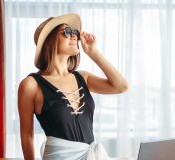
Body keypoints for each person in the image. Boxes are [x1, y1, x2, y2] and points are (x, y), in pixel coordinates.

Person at [18, 13, 128, 160]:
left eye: (75, 33)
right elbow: (27, 135)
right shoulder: (31, 85)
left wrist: (93, 52)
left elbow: (121, 86)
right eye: (67, 32)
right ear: (50, 40)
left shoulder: (83, 78)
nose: (75, 36)